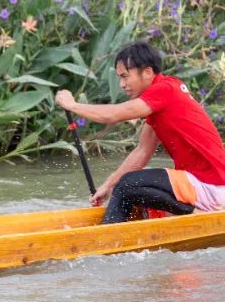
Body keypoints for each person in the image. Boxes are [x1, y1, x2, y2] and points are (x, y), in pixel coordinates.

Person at [55, 41, 225, 224]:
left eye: (125, 76)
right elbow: (142, 151)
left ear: (147, 72)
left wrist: (73, 105)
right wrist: (108, 185)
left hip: (211, 185)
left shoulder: (165, 89)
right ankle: (119, 236)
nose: (122, 84)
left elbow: (113, 114)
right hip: (204, 185)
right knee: (129, 190)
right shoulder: (162, 99)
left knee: (128, 184)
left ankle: (106, 243)